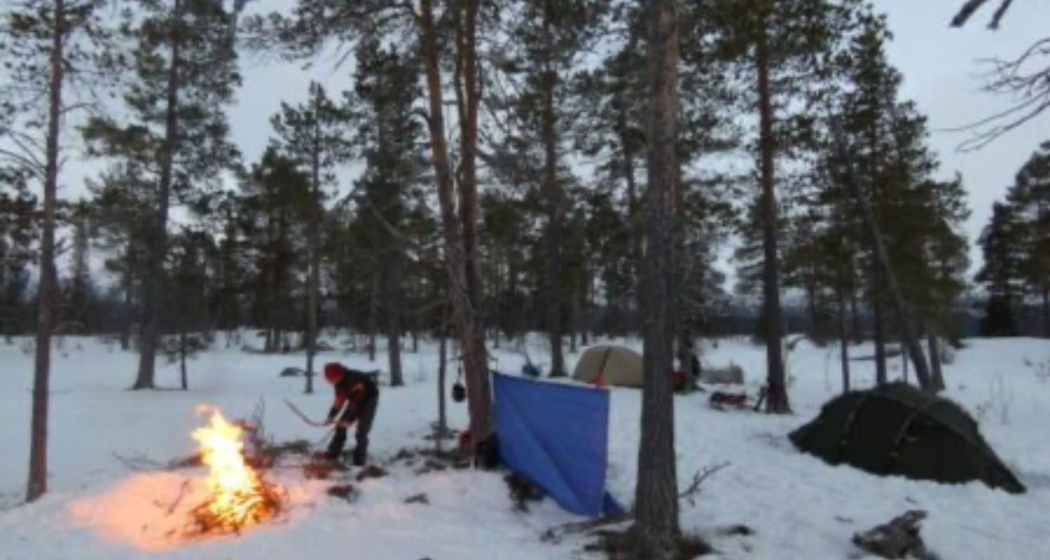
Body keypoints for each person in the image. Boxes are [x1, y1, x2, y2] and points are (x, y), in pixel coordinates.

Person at [322, 362, 379, 465]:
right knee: (340, 426)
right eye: (329, 380)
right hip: (355, 400)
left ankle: (359, 460)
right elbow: (339, 401)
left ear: (339, 375)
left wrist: (349, 421)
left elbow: (358, 404)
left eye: (331, 379)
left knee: (361, 432)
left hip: (369, 399)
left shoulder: (354, 381)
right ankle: (333, 452)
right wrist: (331, 416)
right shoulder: (339, 384)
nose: (331, 382)